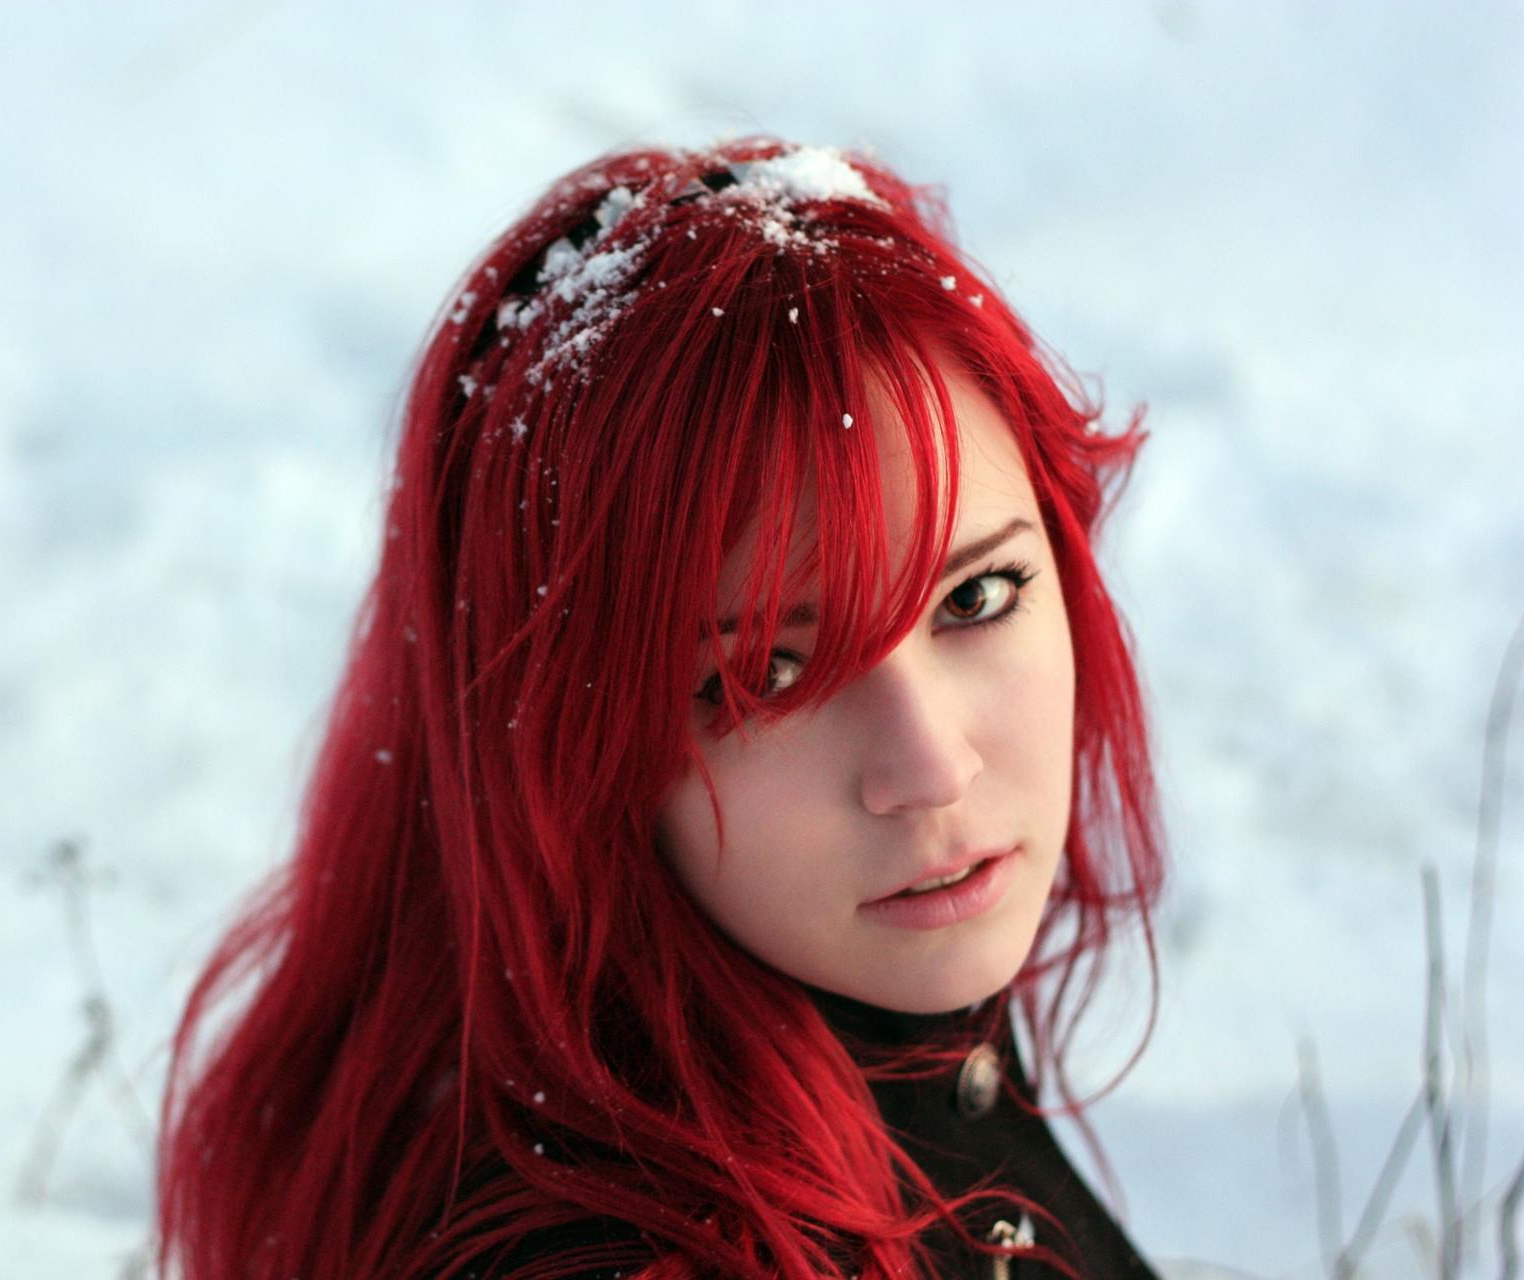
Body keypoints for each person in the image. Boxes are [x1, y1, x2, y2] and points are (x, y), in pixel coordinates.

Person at [153, 136, 1166, 1279]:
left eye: (975, 596)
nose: (930, 766)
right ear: (565, 734)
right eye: (764, 673)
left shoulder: (854, 1010)